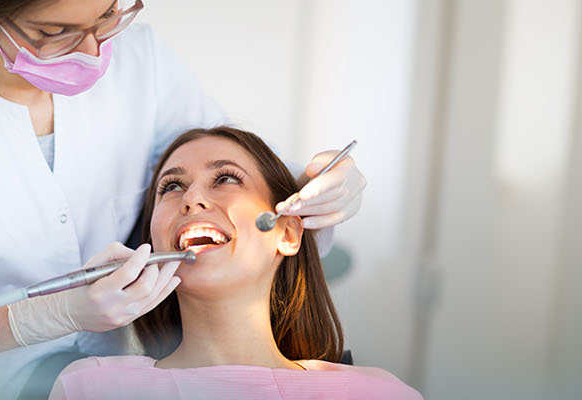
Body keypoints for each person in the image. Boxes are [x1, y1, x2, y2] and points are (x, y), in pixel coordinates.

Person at [0, 0, 369, 395]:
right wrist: (49, 315)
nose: (91, 50)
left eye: (108, 15)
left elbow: (227, 163)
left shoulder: (141, 61)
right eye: (56, 30)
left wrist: (312, 181)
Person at [50, 127, 420, 400]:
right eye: (172, 187)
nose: (192, 198)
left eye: (225, 178)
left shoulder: (381, 393)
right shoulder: (91, 387)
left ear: (288, 234)